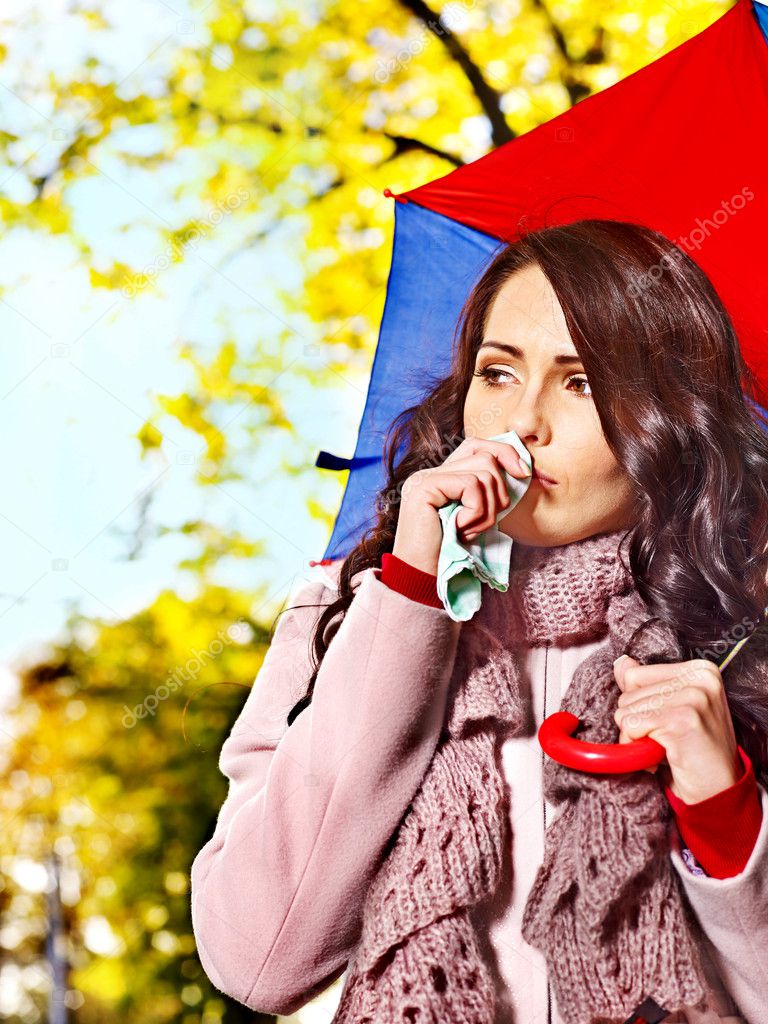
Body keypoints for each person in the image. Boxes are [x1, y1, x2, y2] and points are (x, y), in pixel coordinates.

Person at [190, 219, 768, 1023]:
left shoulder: (740, 631)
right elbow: (256, 958)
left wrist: (722, 809)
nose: (522, 422)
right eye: (498, 373)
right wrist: (410, 595)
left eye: (582, 382)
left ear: (666, 415)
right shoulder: (342, 612)